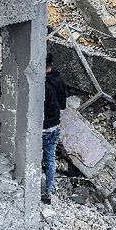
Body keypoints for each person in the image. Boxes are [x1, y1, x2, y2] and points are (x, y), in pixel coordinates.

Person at [42, 52, 67, 205]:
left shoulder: (42, 84)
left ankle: (28, 184)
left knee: (34, 157)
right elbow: (63, 105)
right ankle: (48, 192)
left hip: (42, 128)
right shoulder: (58, 79)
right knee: (50, 159)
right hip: (55, 126)